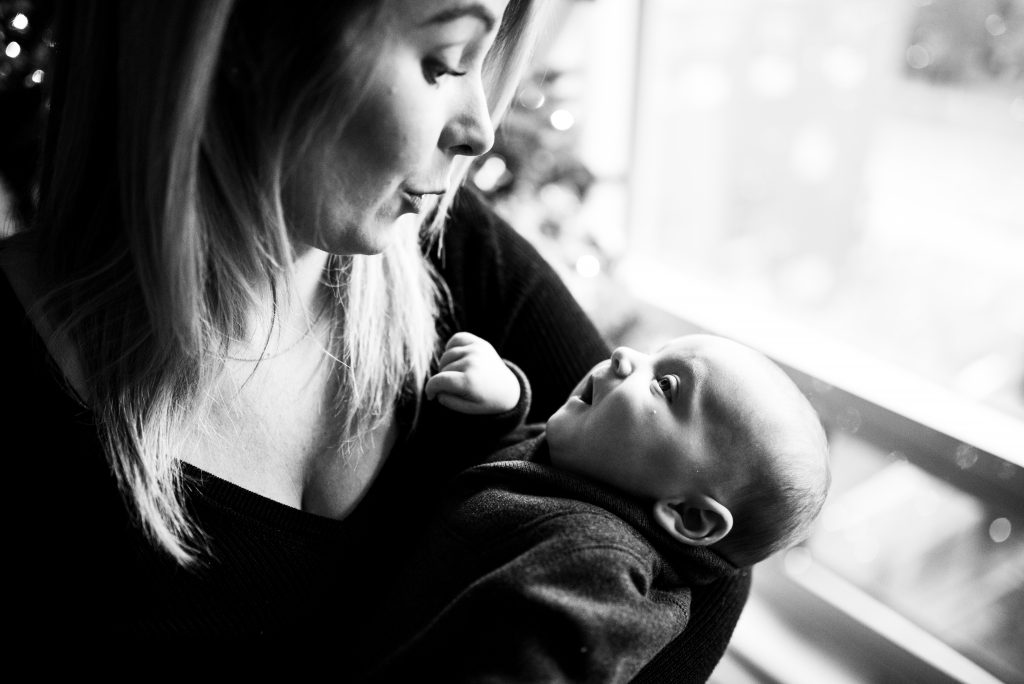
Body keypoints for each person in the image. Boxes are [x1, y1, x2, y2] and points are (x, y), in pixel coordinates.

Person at [0, 0, 616, 651]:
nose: (479, 132)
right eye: (443, 62)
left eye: (485, 63)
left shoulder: (459, 251)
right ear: (244, 41)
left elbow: (687, 522)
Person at [362, 331, 831, 682]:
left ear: (689, 516)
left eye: (666, 384)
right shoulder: (585, 468)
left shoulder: (600, 569)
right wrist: (502, 406)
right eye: (652, 352)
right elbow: (496, 472)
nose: (624, 355)